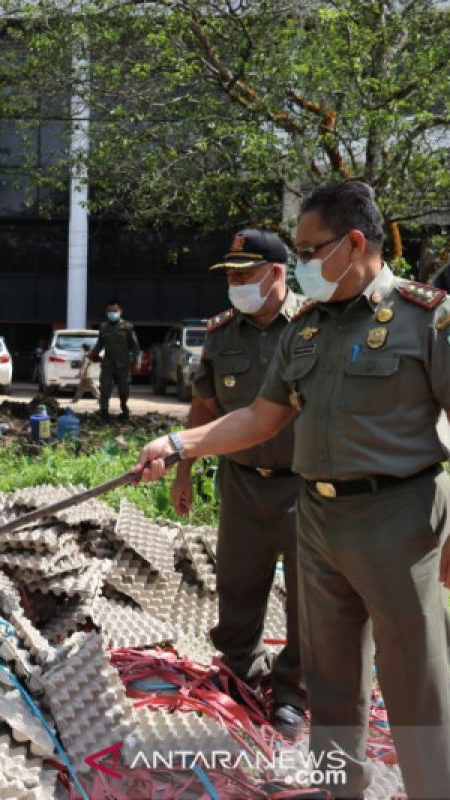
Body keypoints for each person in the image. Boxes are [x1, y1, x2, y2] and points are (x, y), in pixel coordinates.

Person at [134, 180, 450, 799]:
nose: (299, 264)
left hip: (398, 517)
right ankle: (338, 789)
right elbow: (260, 419)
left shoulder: (427, 316)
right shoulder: (306, 331)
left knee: (415, 680)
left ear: (353, 244)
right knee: (330, 680)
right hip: (319, 519)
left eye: (307, 249)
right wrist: (180, 445)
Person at [170, 229, 307, 737]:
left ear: (276, 273)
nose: (234, 283)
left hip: (305, 486)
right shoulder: (222, 333)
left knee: (306, 596)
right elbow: (204, 407)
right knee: (238, 584)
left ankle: (292, 691)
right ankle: (238, 676)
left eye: (243, 273)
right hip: (243, 482)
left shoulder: (313, 325)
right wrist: (186, 467)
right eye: (229, 274)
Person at [90, 300, 140, 420]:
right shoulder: (103, 327)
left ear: (120, 311)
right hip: (108, 364)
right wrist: (94, 353)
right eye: (110, 311)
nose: (112, 313)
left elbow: (135, 346)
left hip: (123, 364)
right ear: (106, 312)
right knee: (105, 389)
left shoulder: (127, 327)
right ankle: (104, 412)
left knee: (123, 390)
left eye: (114, 311)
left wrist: (136, 360)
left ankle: (124, 408)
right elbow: (100, 343)